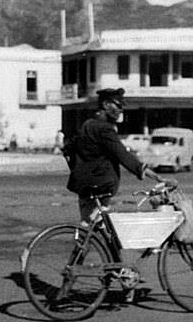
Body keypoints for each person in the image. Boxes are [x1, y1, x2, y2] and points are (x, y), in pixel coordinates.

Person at [66, 88, 166, 224]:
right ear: (106, 105)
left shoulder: (86, 125)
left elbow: (69, 150)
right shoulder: (104, 129)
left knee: (88, 226)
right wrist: (156, 176)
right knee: (103, 226)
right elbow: (122, 155)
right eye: (118, 105)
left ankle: (85, 243)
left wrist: (78, 170)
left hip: (84, 186)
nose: (121, 110)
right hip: (101, 185)